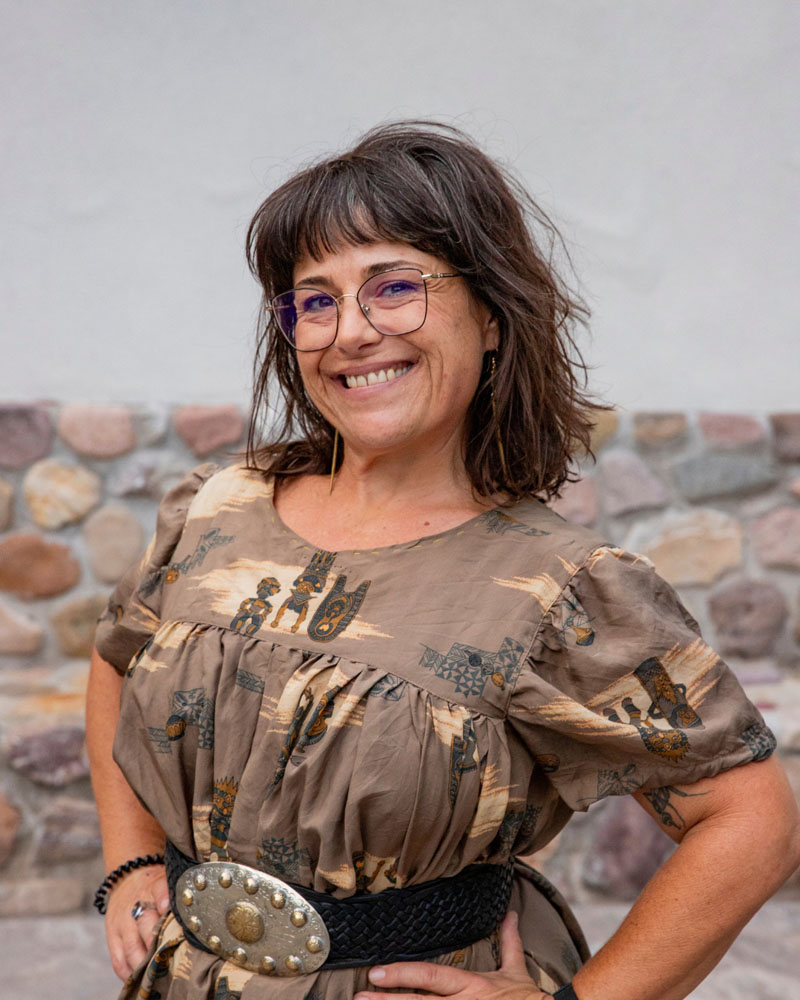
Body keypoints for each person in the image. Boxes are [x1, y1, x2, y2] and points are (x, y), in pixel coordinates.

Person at [86, 121, 800, 1000]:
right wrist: (129, 867)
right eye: (314, 300)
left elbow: (750, 816)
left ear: (492, 316)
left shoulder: (560, 587)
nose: (351, 331)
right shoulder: (213, 508)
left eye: (394, 287)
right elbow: (118, 657)